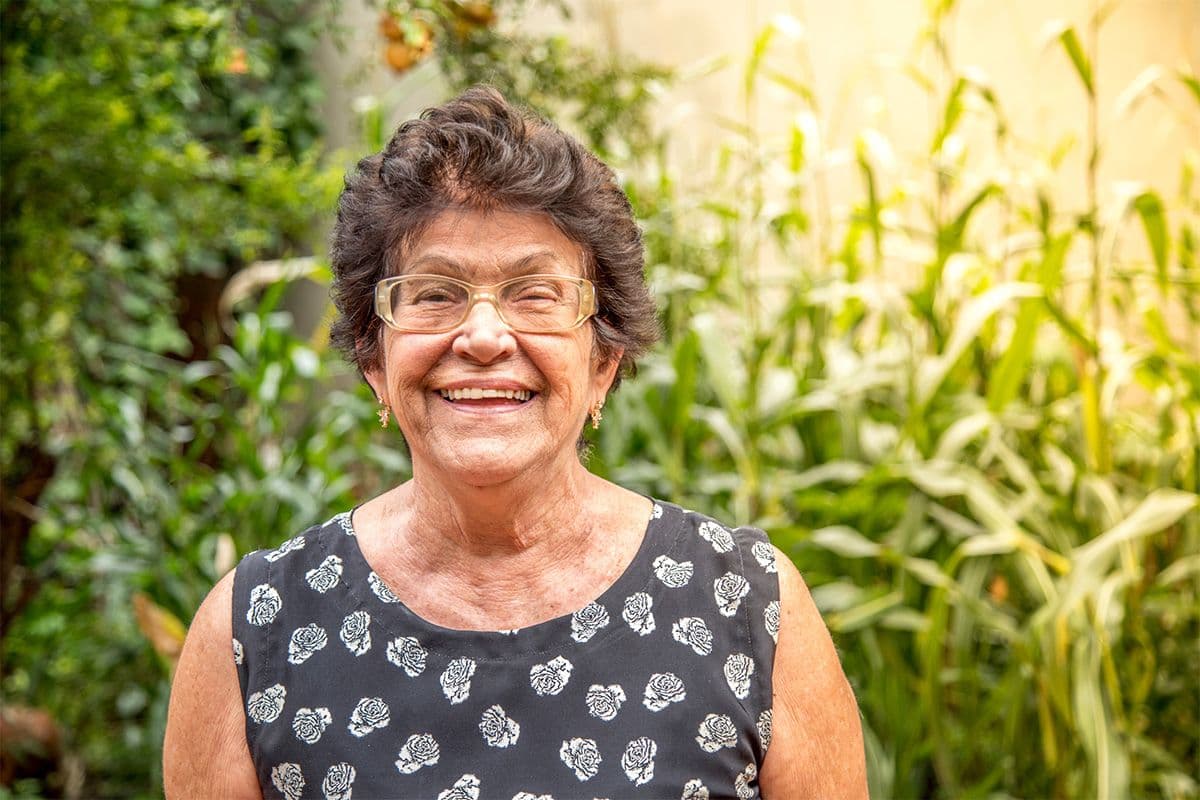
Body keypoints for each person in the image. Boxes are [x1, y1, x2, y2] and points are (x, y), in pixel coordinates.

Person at [163, 86, 866, 800]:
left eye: (536, 293)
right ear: (375, 361)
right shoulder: (255, 630)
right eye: (435, 293)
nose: (485, 337)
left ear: (603, 362)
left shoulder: (744, 604)